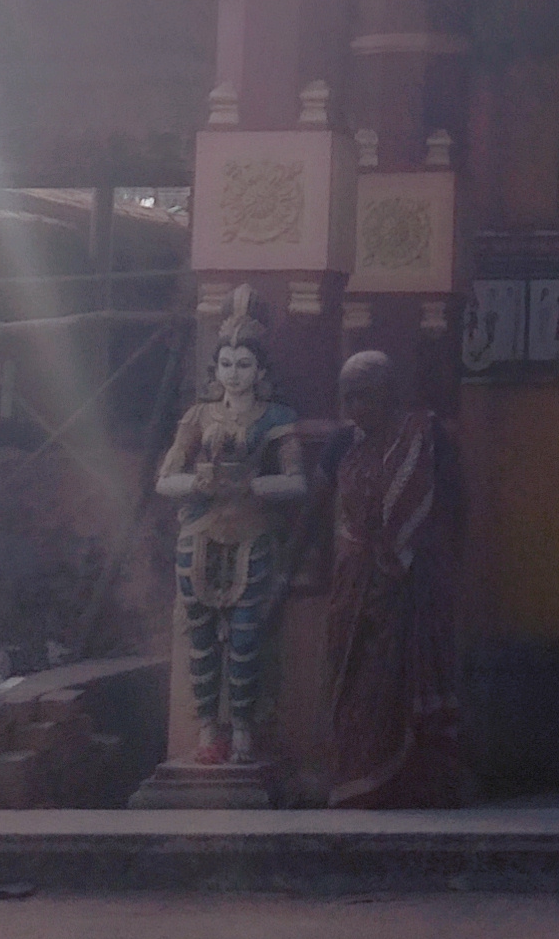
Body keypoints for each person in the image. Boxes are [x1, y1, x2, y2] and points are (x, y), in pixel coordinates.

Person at [154, 291, 307, 769]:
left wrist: (254, 484)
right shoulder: (198, 417)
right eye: (226, 363)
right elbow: (164, 480)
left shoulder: (278, 419)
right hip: (197, 532)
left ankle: (242, 731)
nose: (234, 373)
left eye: (243, 364)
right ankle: (206, 731)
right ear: (215, 367)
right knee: (200, 638)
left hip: (252, 534)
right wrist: (201, 480)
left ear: (260, 371)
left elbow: (297, 482)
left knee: (244, 639)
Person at [320, 347, 464, 808]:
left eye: (363, 396)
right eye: (347, 398)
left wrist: (421, 561)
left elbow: (453, 506)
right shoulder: (343, 443)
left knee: (412, 678)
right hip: (353, 581)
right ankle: (357, 782)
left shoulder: (426, 436)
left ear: (390, 394)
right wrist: (292, 569)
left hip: (413, 582)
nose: (353, 408)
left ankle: (412, 783)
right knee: (354, 676)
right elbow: (314, 505)